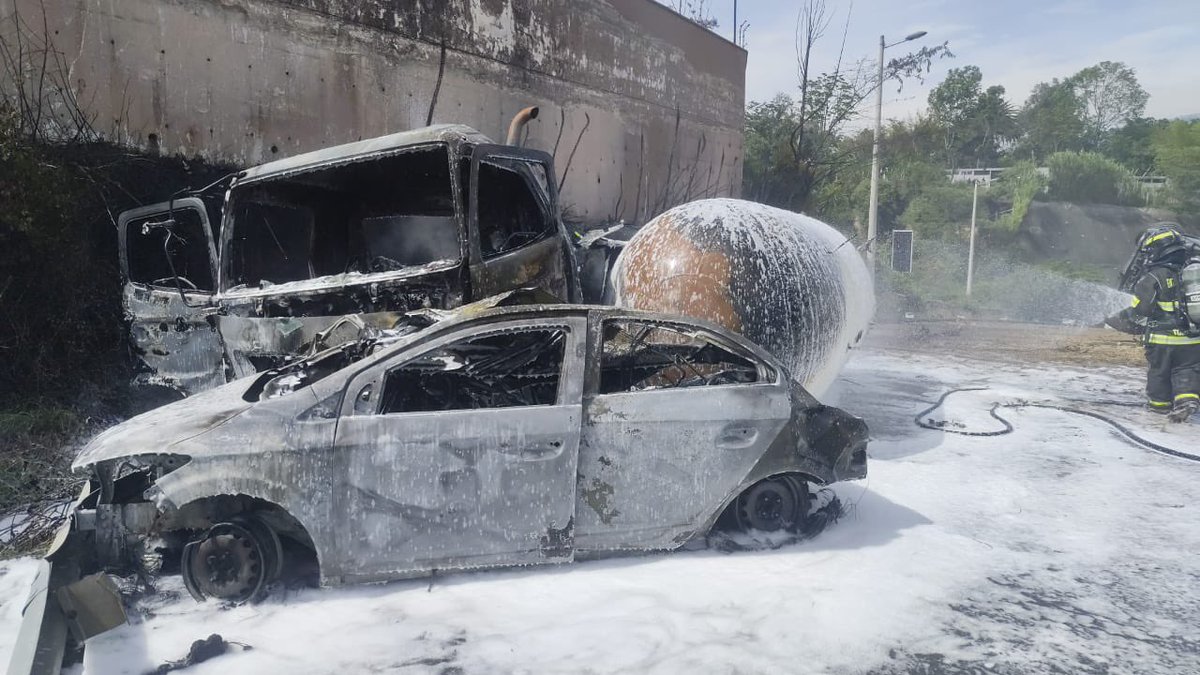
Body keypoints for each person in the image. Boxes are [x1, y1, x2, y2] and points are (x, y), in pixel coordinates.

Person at [1105, 223, 1200, 423]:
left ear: (1157, 251)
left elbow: (1141, 308)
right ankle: (1187, 401)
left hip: (1162, 341)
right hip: (1192, 341)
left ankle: (1158, 411)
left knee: (1159, 373)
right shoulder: (1192, 272)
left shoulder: (1153, 277)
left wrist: (1123, 318)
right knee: (1187, 370)